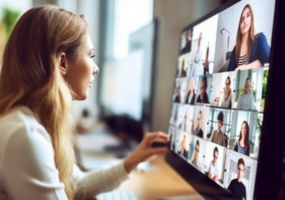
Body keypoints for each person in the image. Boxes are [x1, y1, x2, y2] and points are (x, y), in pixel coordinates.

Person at [0, 5, 170, 200]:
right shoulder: (24, 135)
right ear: (62, 63)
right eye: (91, 55)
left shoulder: (34, 122)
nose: (95, 68)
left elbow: (76, 186)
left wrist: (134, 159)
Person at [227, 4, 270, 71]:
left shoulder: (260, 38)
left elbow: (269, 59)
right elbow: (229, 72)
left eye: (248, 16)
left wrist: (242, 68)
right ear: (239, 26)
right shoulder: (235, 49)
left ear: (251, 19)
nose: (245, 21)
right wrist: (259, 62)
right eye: (242, 19)